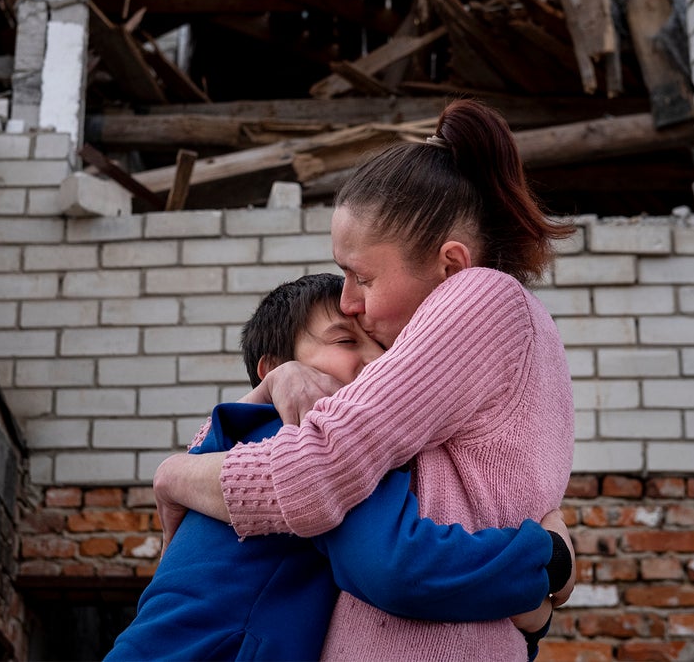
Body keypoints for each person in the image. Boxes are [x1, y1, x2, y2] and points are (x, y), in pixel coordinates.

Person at [153, 99, 577, 660]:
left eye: (362, 277)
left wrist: (176, 474)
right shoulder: (517, 338)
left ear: (451, 265)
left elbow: (318, 475)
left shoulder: (482, 298)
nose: (349, 302)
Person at [105, 273, 572, 662]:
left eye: (384, 347)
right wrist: (544, 560)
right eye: (346, 340)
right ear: (273, 370)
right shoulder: (309, 440)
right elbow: (398, 564)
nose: (373, 361)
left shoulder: (234, 440)